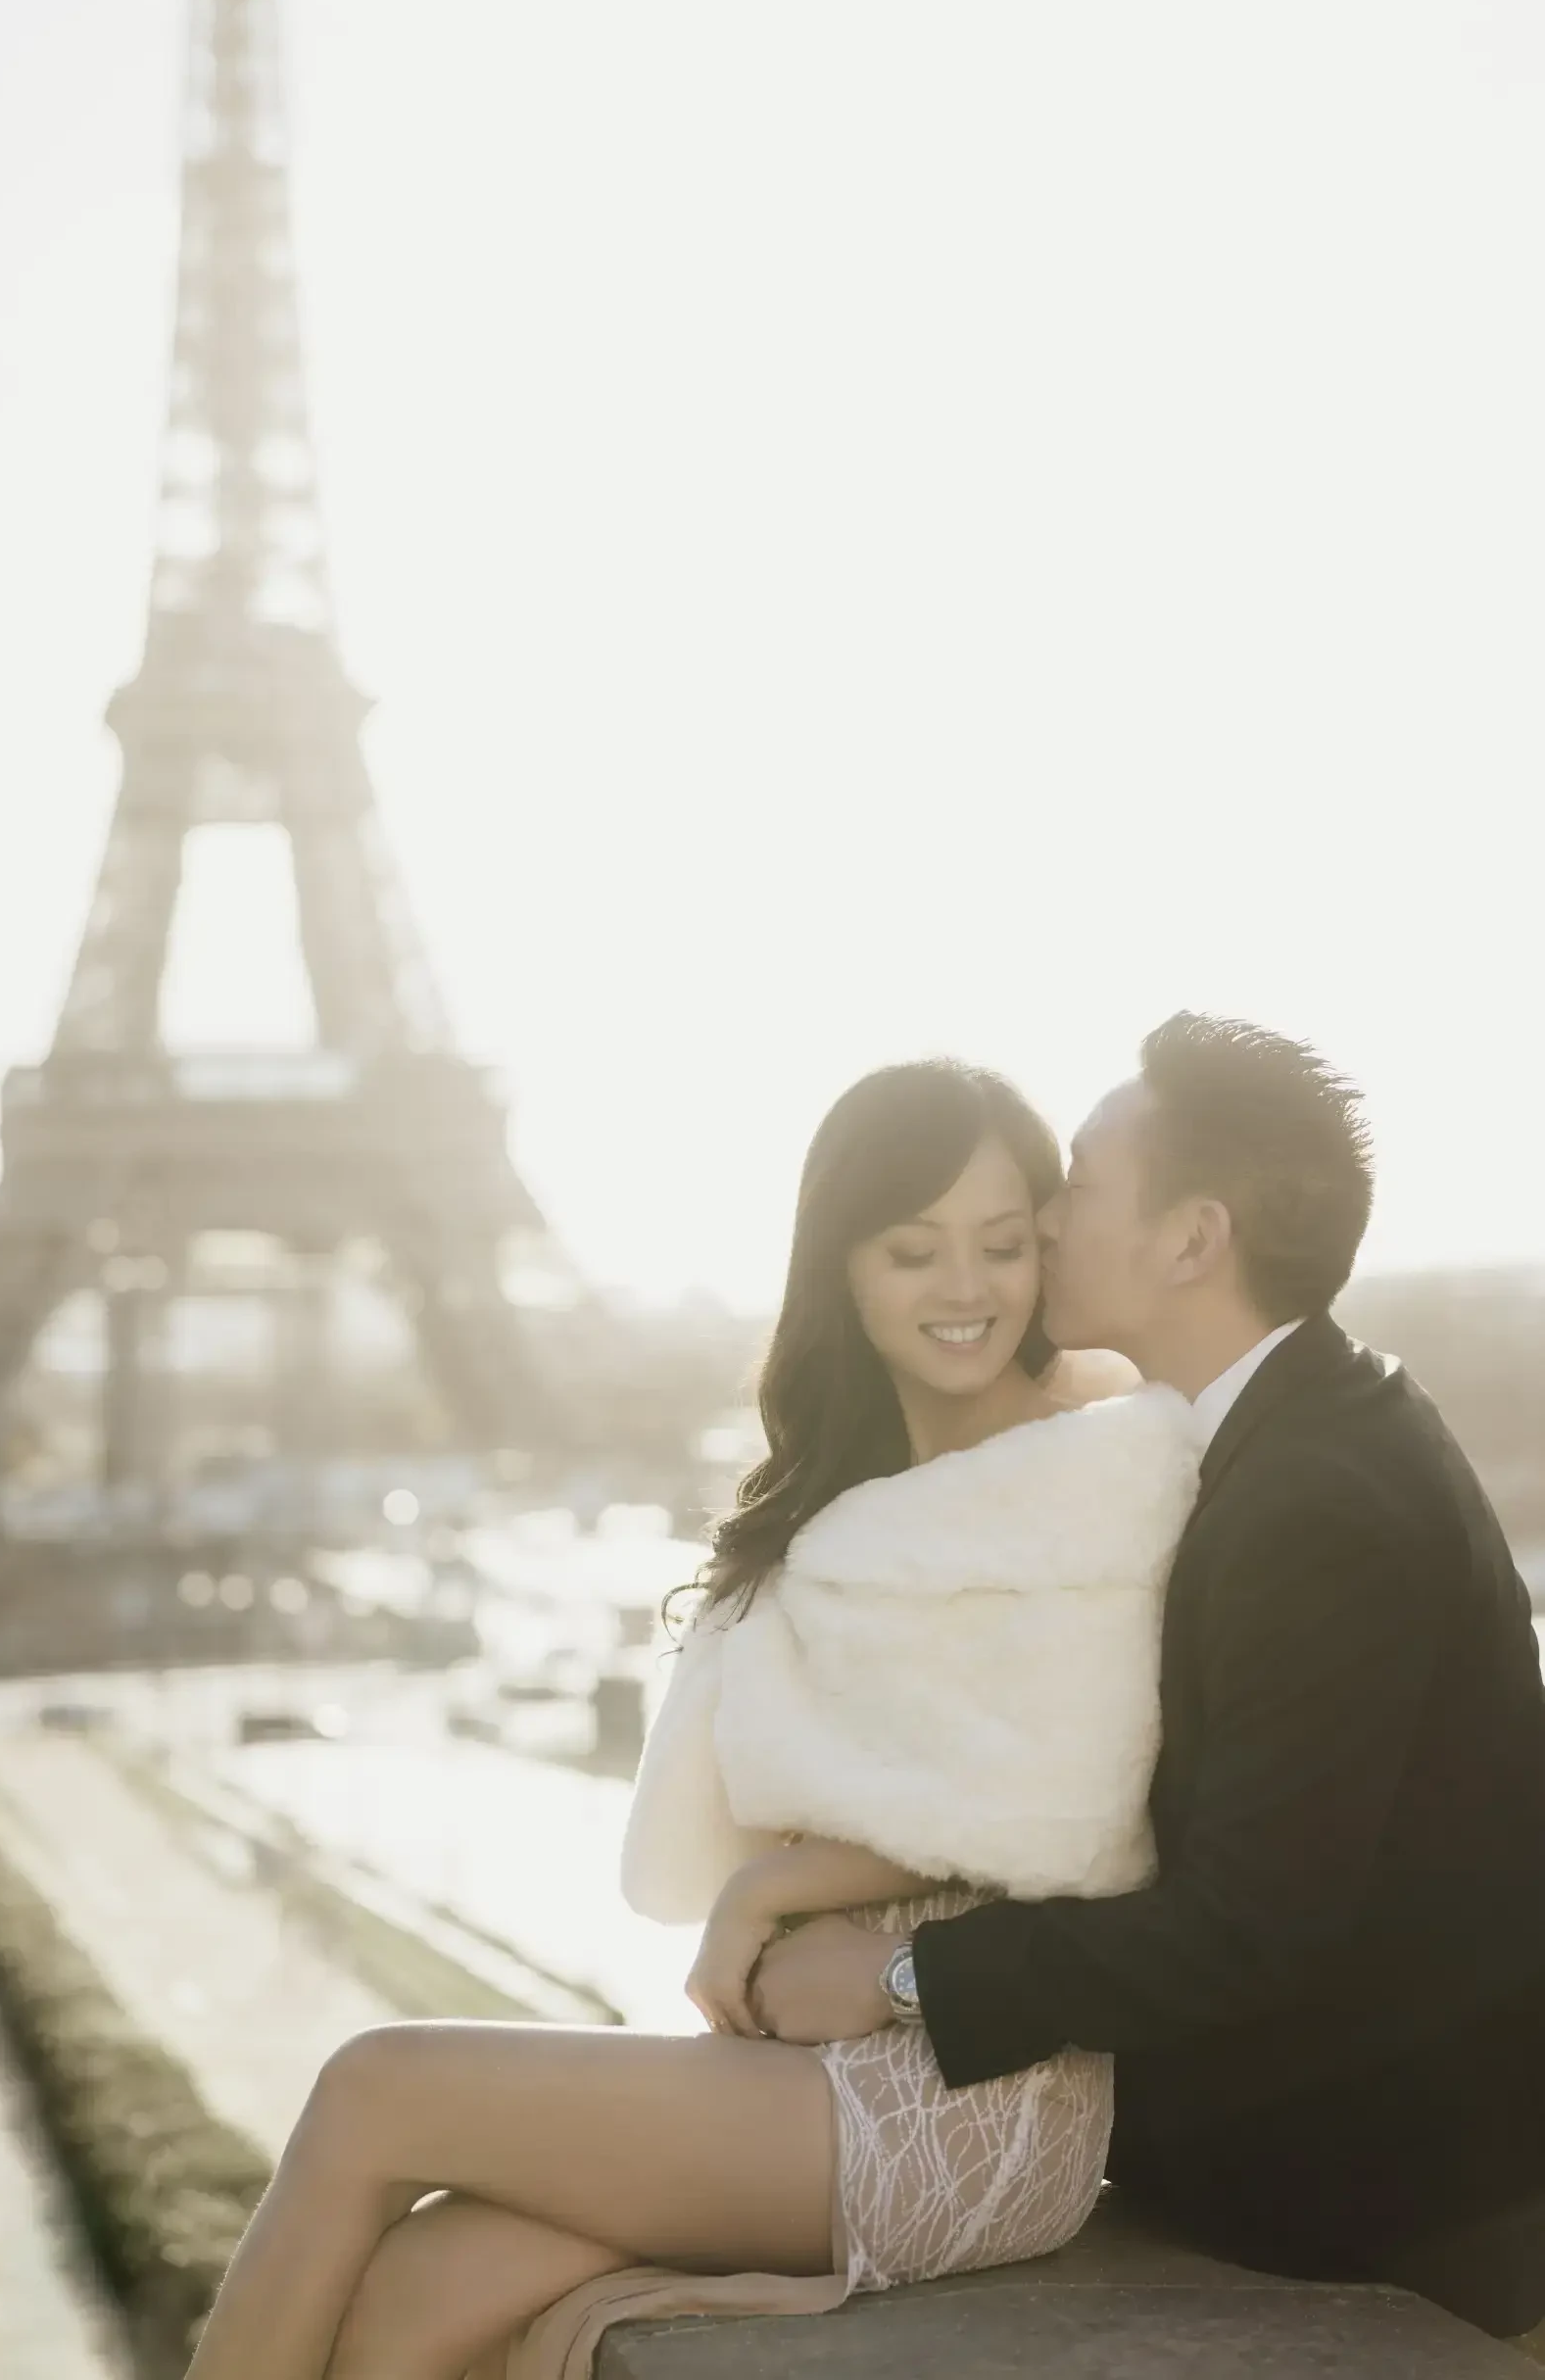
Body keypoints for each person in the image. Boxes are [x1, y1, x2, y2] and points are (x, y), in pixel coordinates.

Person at [179, 1060, 1199, 2380]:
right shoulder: (834, 1484)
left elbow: (1071, 1799)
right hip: (808, 2063)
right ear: (842, 1262)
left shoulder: (1097, 1460)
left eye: (1002, 1245)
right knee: (415, 2294)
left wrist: (780, 1887)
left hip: (971, 2088)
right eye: (913, 1250)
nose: (965, 1288)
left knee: (371, 2086)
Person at [749, 1014, 1545, 2333]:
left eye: (1080, 1182)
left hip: (1362, 2199)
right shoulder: (1305, 1427)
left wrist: (902, 1979)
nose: (1047, 1219)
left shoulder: (1313, 1504)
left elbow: (1250, 1923)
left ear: (1190, 1239)